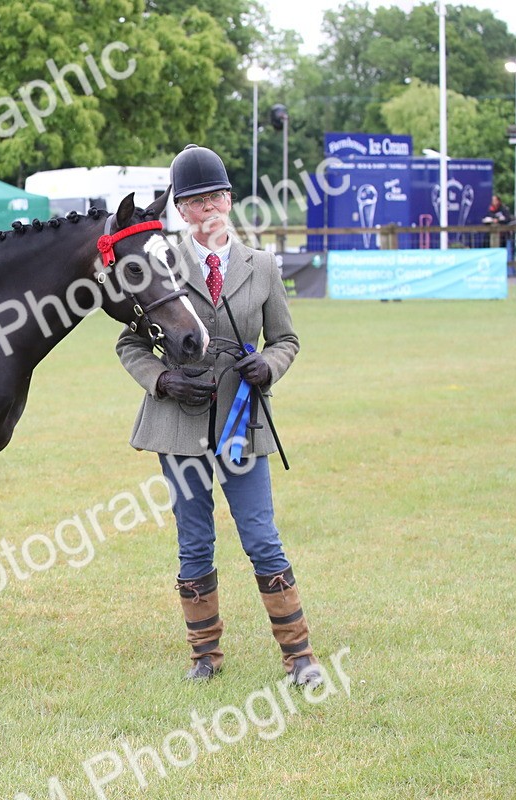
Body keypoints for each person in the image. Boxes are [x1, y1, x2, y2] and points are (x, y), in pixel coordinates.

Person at [115, 144, 322, 685]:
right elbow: (129, 344)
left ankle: (299, 657)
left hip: (243, 421)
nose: (208, 208)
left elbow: (286, 338)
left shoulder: (264, 266)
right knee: (193, 539)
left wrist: (270, 367)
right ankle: (205, 656)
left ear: (230, 200)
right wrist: (161, 379)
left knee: (261, 535)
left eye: (215, 197)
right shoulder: (161, 265)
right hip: (178, 423)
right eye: (195, 201)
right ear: (181, 211)